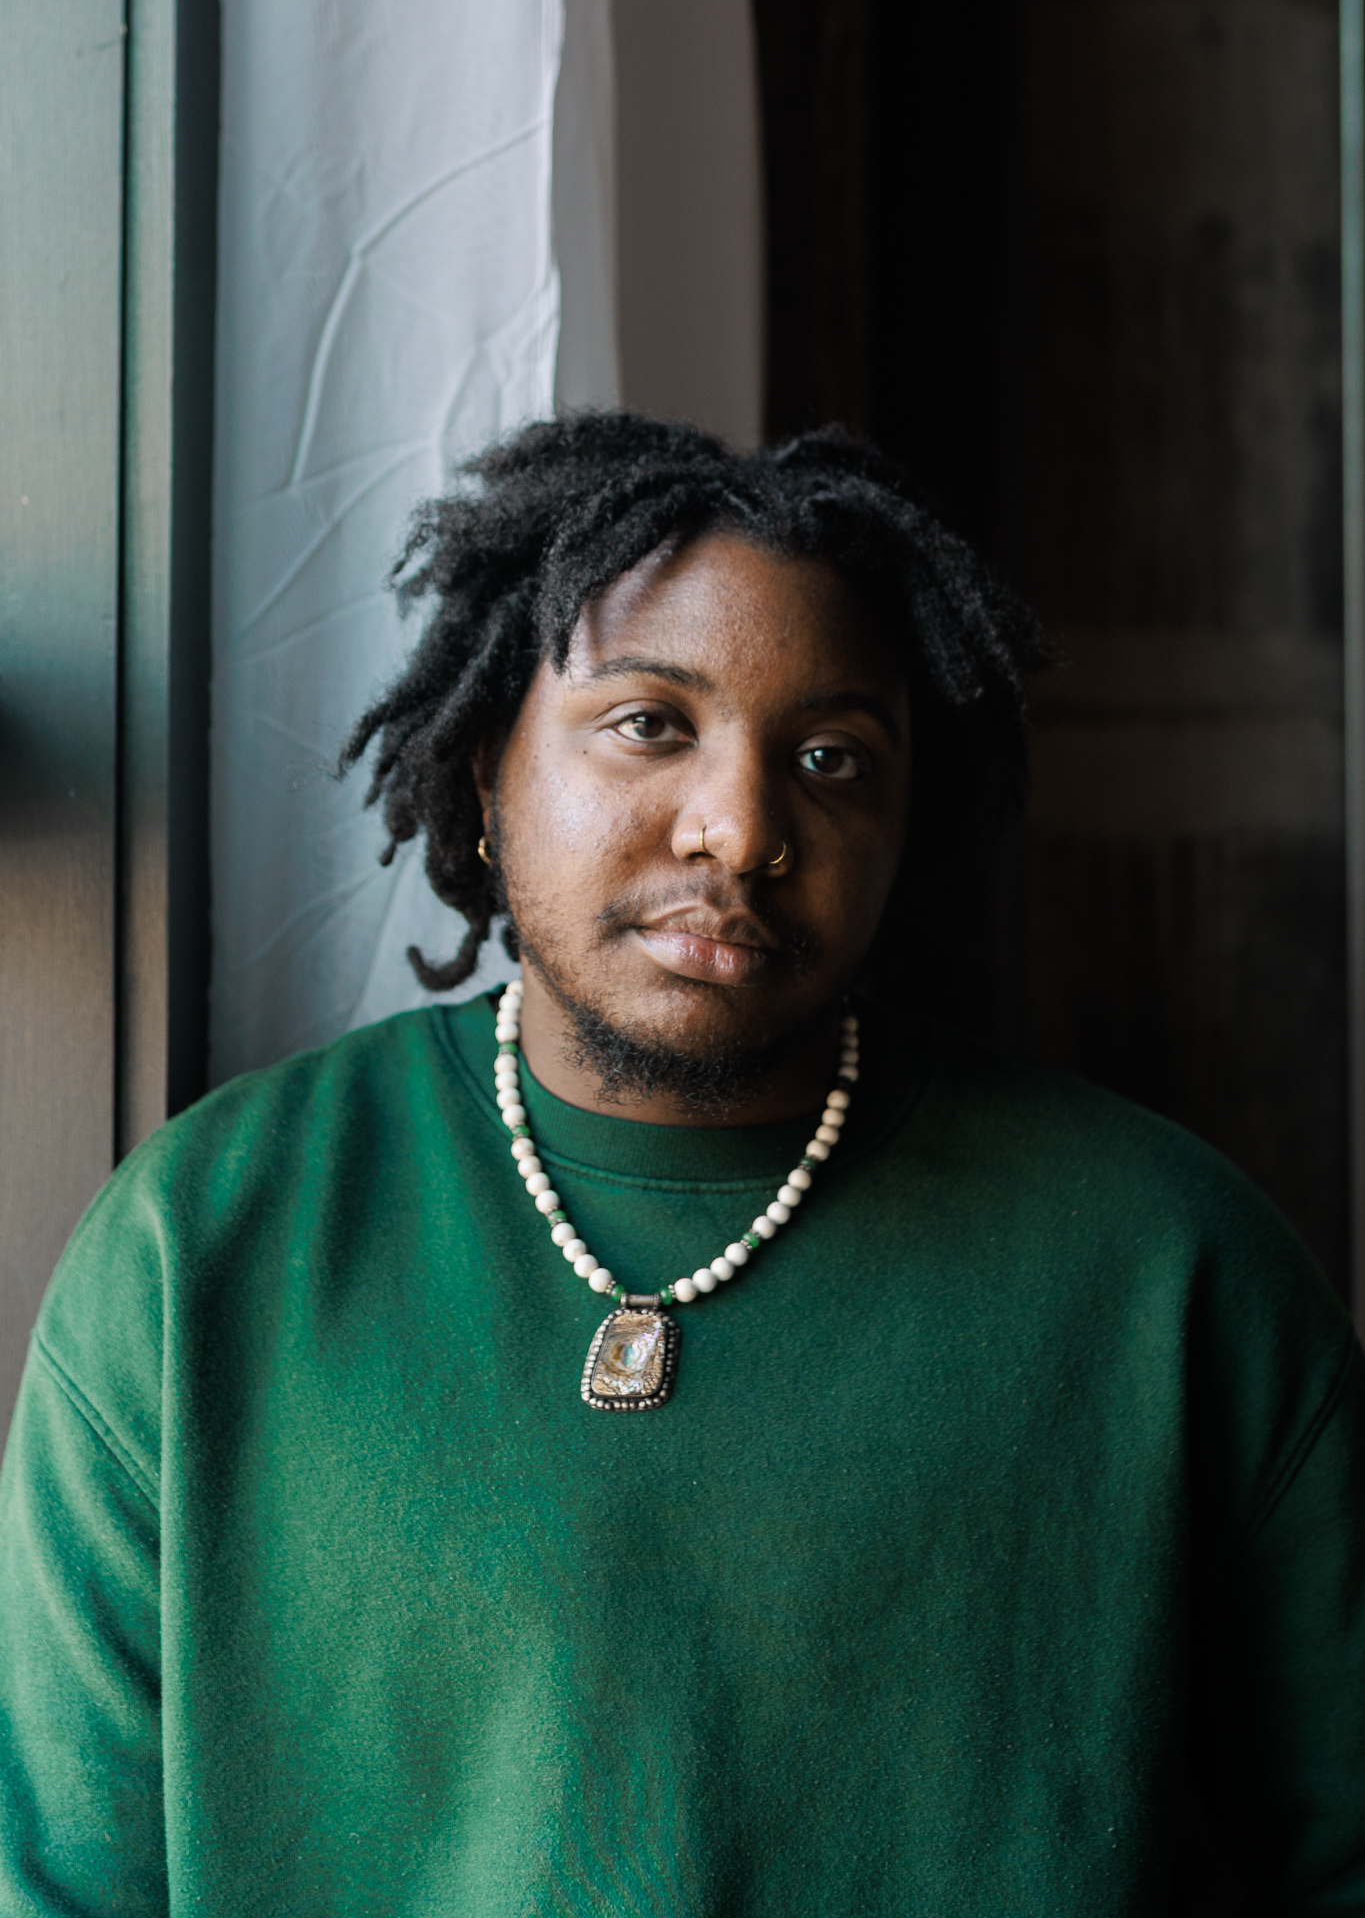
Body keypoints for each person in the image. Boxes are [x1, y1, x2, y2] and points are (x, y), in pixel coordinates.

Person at [1, 412, 1362, 1915]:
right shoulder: (203, 1243)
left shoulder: (1174, 1273)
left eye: (833, 758)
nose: (740, 828)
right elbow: (63, 1880)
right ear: (486, 764)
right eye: (649, 723)